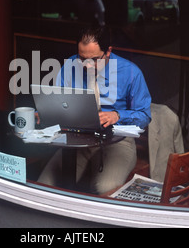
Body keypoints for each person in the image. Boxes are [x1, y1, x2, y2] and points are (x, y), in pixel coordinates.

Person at [38, 26, 152, 194]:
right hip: (77, 141)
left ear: (108, 51)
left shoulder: (130, 72)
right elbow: (58, 102)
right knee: (44, 185)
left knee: (104, 189)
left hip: (118, 142)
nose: (88, 66)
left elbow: (144, 115)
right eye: (82, 59)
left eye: (95, 60)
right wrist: (46, 112)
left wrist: (118, 115)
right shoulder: (69, 67)